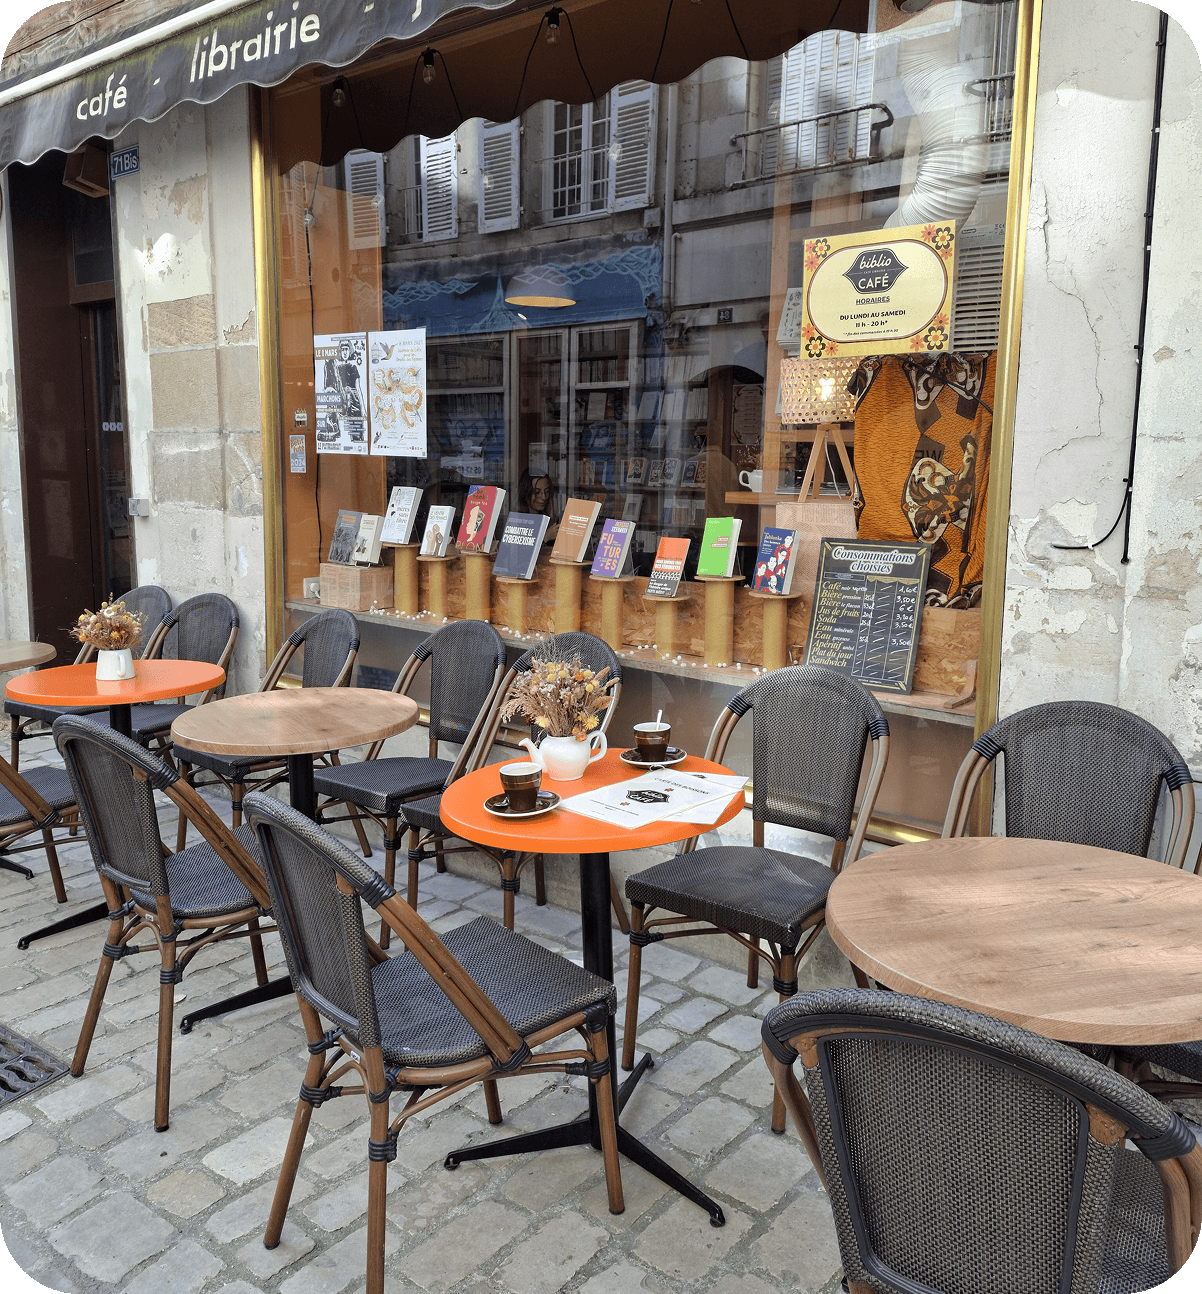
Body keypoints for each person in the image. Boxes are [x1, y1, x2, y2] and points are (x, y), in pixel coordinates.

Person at [518, 469, 560, 544]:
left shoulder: (549, 516)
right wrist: (545, 537)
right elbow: (521, 551)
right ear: (526, 493)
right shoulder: (519, 520)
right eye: (537, 492)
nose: (544, 497)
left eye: (547, 492)